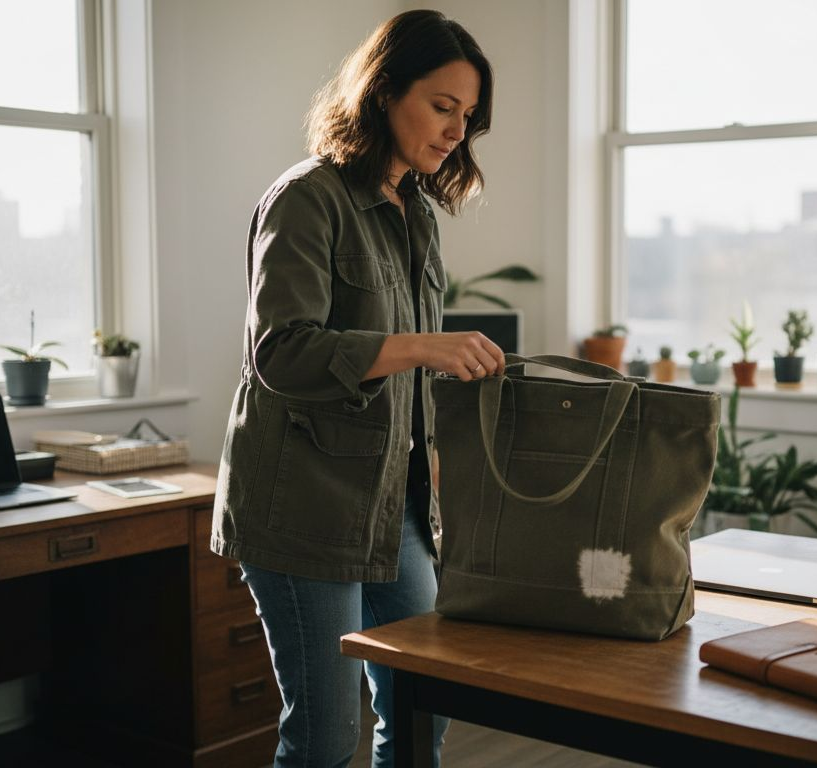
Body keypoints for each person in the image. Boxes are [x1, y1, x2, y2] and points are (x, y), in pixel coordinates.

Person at [209, 10, 498, 767]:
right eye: (443, 107)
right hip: (302, 505)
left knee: (421, 710)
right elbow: (282, 351)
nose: (455, 133)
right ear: (382, 90)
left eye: (467, 118)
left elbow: (401, 381)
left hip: (390, 507)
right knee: (324, 738)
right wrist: (419, 348)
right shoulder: (306, 197)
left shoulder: (418, 215)